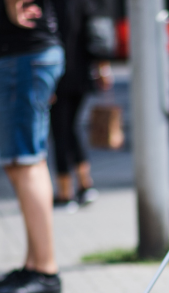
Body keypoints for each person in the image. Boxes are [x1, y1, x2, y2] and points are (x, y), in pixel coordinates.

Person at [0, 0, 64, 293]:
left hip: (22, 56)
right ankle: (33, 264)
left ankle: (45, 271)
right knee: (20, 163)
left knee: (27, 163)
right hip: (20, 56)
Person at [50, 0, 102, 212]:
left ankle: (65, 193)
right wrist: (102, 65)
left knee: (60, 132)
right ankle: (85, 184)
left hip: (57, 76)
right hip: (81, 75)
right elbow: (94, 32)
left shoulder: (49, 5)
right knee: (71, 129)